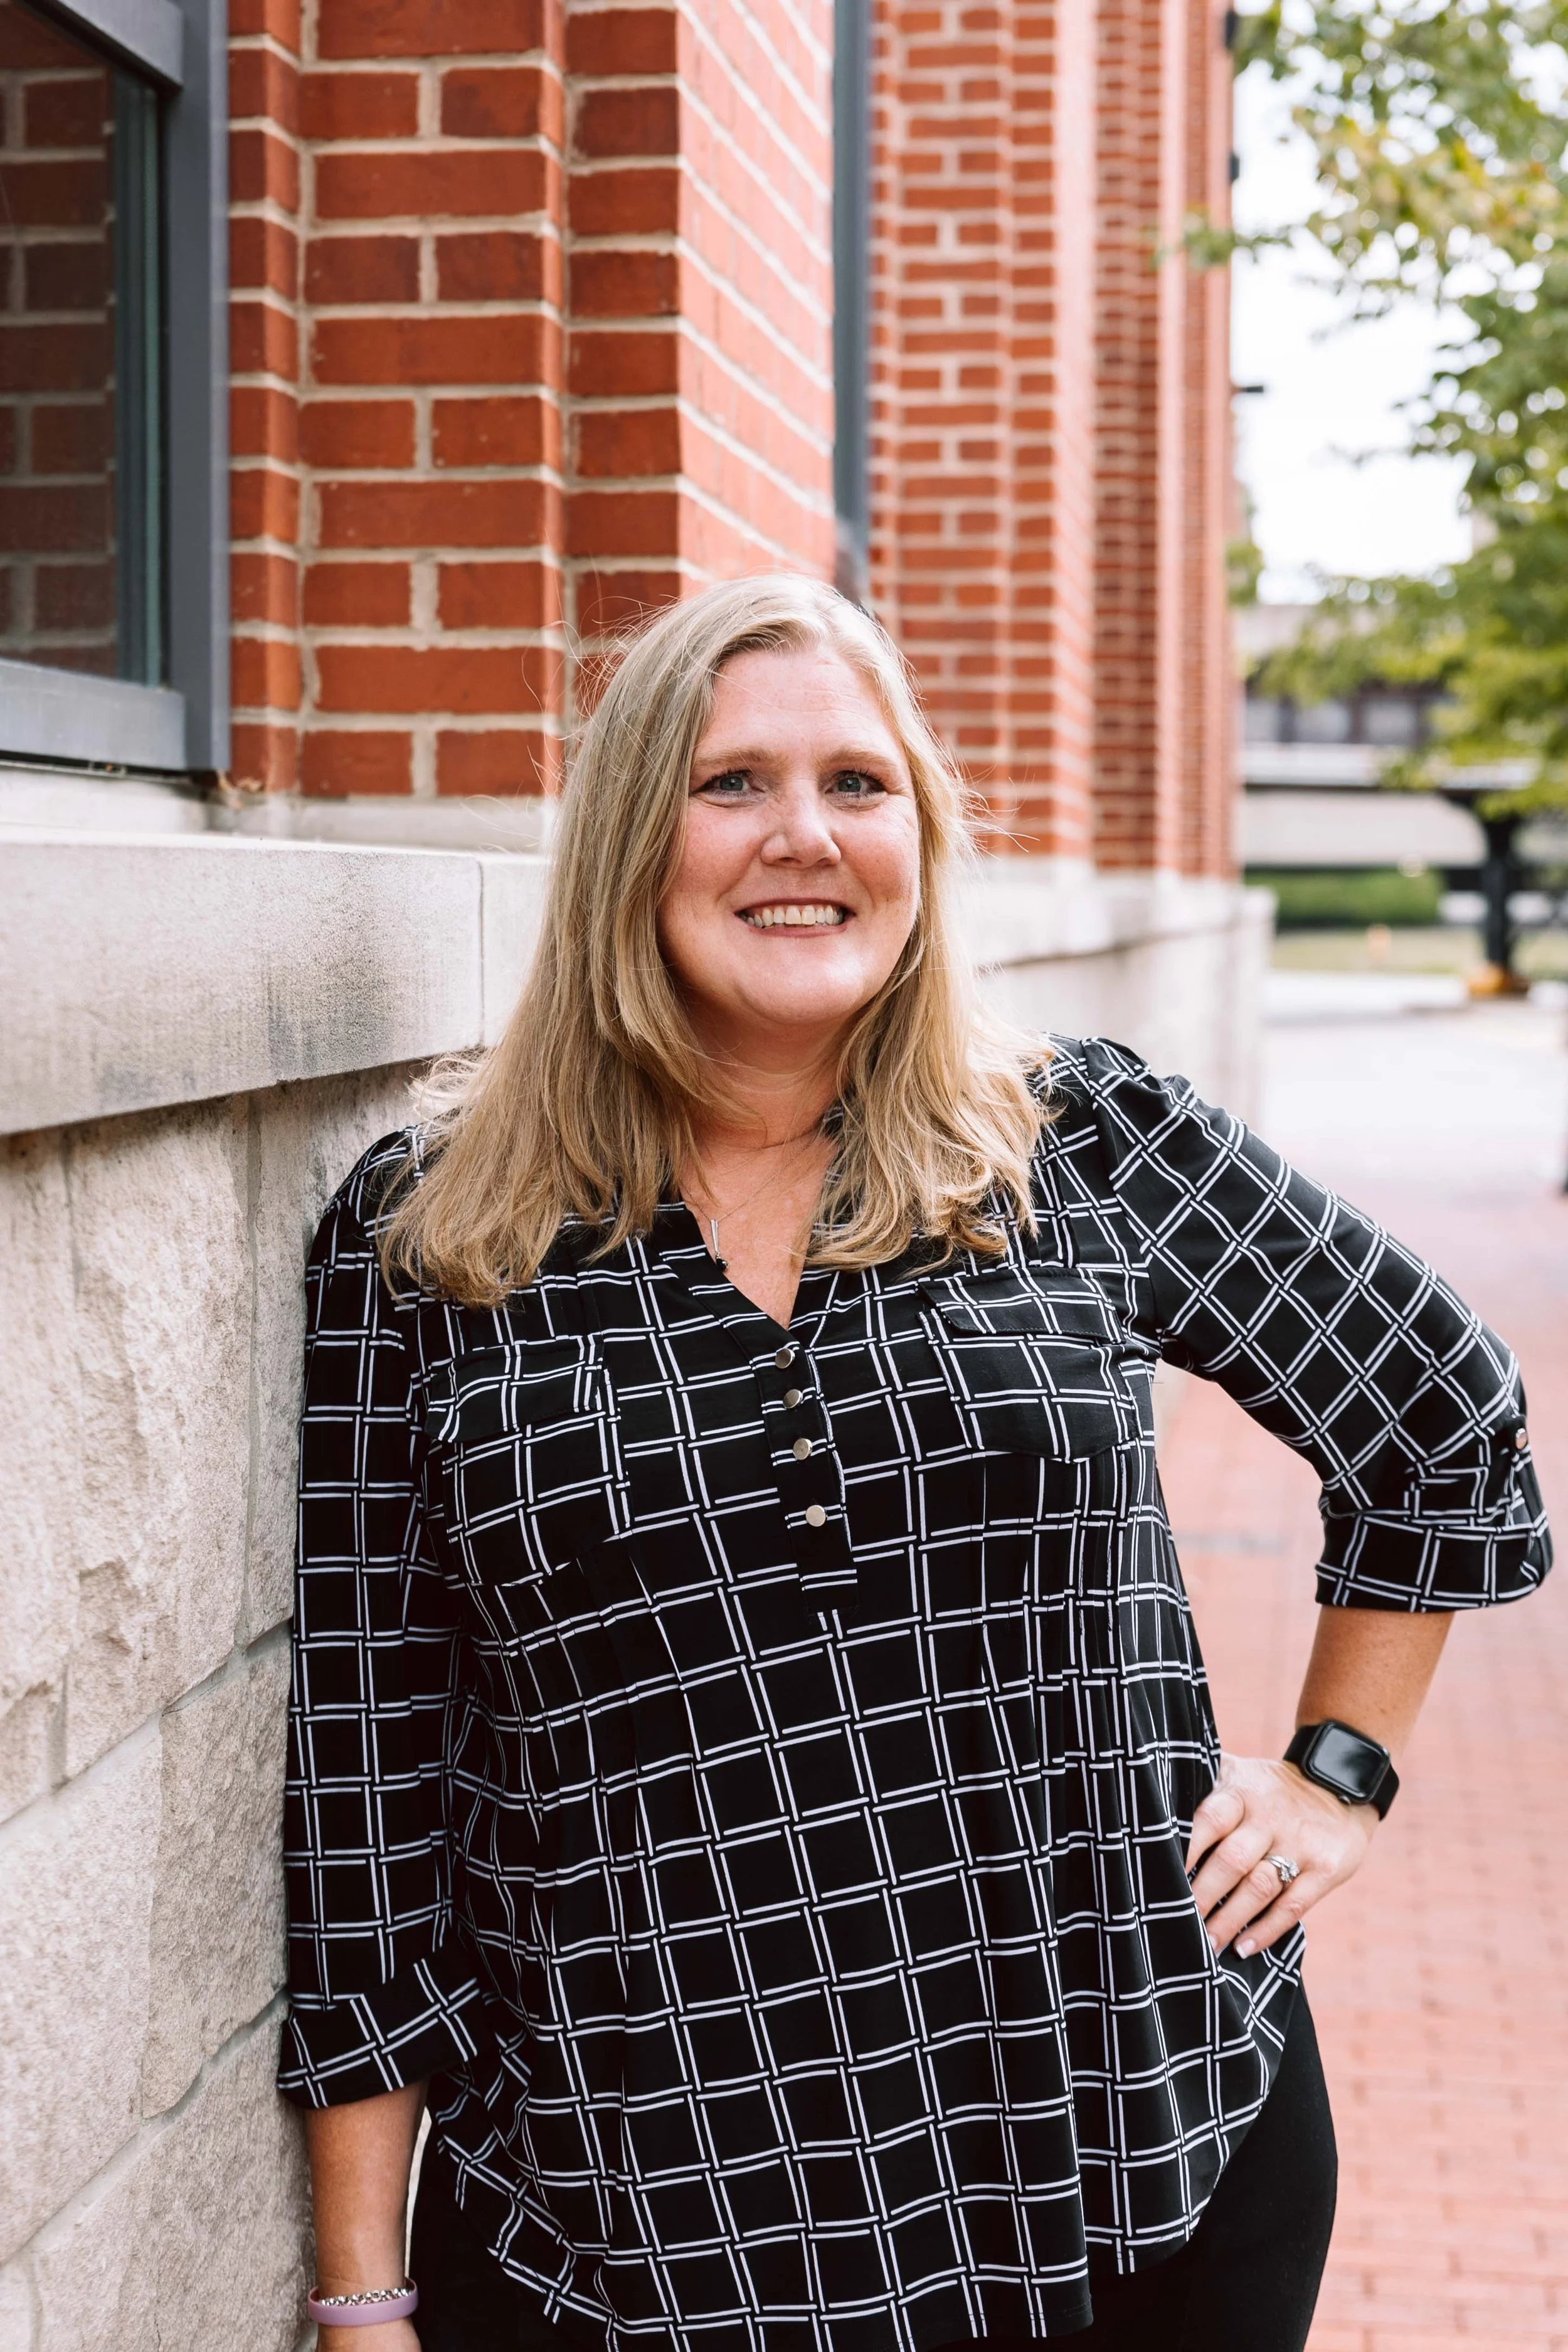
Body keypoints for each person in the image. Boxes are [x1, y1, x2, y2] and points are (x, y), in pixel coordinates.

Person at [278, 576, 1550, 2352]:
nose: (800, 836)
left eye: (857, 785)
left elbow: (1436, 1410)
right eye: (728, 784)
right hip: (626, 2222)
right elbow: (369, 1784)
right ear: (628, 839)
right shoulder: (433, 1239)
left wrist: (1335, 1774)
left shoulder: (1081, 1146)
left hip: (1120, 2175)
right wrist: (362, 2288)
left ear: (923, 843)